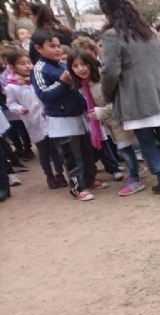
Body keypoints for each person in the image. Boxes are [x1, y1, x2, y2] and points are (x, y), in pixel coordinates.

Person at [100, 0, 160, 195]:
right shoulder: (151, 32)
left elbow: (110, 71)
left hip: (134, 96)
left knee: (146, 141)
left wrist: (108, 94)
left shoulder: (113, 35)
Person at [31, 29, 100, 201]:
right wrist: (62, 82)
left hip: (78, 115)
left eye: (58, 45)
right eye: (51, 46)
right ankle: (77, 188)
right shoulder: (39, 69)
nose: (57, 49)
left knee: (86, 151)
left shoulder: (62, 64)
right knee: (71, 155)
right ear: (39, 48)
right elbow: (44, 95)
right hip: (61, 121)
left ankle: (90, 179)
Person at [67, 49, 147, 196]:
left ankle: (135, 180)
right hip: (110, 124)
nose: (80, 69)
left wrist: (101, 112)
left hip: (120, 120)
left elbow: (119, 102)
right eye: (75, 66)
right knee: (125, 150)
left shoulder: (102, 81)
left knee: (126, 150)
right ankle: (135, 171)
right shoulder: (84, 86)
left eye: (83, 64)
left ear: (91, 64)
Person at [3, 50, 65, 189]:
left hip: (49, 117)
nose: (27, 66)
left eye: (29, 62)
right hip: (33, 121)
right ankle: (49, 175)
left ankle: (60, 174)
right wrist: (19, 109)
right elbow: (10, 103)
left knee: (56, 149)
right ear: (12, 67)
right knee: (43, 151)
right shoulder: (11, 87)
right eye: (22, 64)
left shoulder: (37, 79)